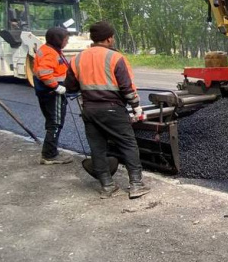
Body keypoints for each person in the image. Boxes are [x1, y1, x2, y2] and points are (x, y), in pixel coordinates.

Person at [64, 21, 149, 199]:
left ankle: (107, 186)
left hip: (89, 110)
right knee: (128, 144)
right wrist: (136, 107)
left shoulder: (77, 59)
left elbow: (70, 88)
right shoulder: (115, 58)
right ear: (109, 38)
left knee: (97, 148)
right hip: (112, 109)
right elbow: (127, 87)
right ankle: (135, 184)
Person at [33, 26, 73, 165]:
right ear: (57, 40)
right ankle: (49, 155)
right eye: (65, 40)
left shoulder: (49, 50)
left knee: (52, 122)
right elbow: (44, 73)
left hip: (46, 92)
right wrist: (56, 87)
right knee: (55, 123)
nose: (66, 42)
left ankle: (51, 150)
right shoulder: (50, 53)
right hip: (52, 93)